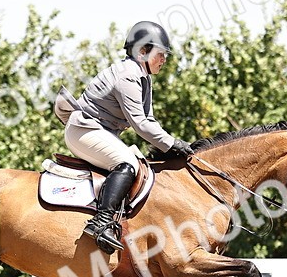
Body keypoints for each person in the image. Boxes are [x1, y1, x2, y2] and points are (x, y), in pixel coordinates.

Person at [55, 21, 195, 254]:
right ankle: (101, 222)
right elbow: (139, 123)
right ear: (142, 51)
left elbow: (149, 120)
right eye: (161, 54)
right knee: (127, 163)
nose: (164, 60)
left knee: (138, 162)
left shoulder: (143, 77)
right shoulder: (128, 75)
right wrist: (172, 144)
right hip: (84, 130)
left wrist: (170, 145)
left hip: (98, 131)